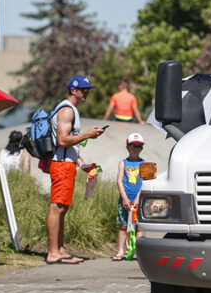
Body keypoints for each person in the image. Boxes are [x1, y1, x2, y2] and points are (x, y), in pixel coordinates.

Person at [46, 76, 104, 265]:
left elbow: (68, 145)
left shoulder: (71, 110)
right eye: (83, 89)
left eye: (88, 89)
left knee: (63, 207)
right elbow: (62, 140)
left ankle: (60, 249)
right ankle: (53, 252)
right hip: (61, 165)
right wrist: (88, 134)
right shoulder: (66, 110)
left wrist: (81, 163)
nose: (86, 92)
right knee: (57, 207)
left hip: (67, 163)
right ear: (73, 90)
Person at [113, 133, 145, 261]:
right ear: (127, 147)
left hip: (139, 201)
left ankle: (138, 252)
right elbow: (119, 180)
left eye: (139, 146)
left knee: (138, 226)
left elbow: (144, 182)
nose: (136, 148)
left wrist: (138, 199)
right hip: (125, 200)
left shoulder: (144, 163)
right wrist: (125, 198)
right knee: (123, 226)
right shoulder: (123, 163)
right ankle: (121, 250)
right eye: (133, 146)